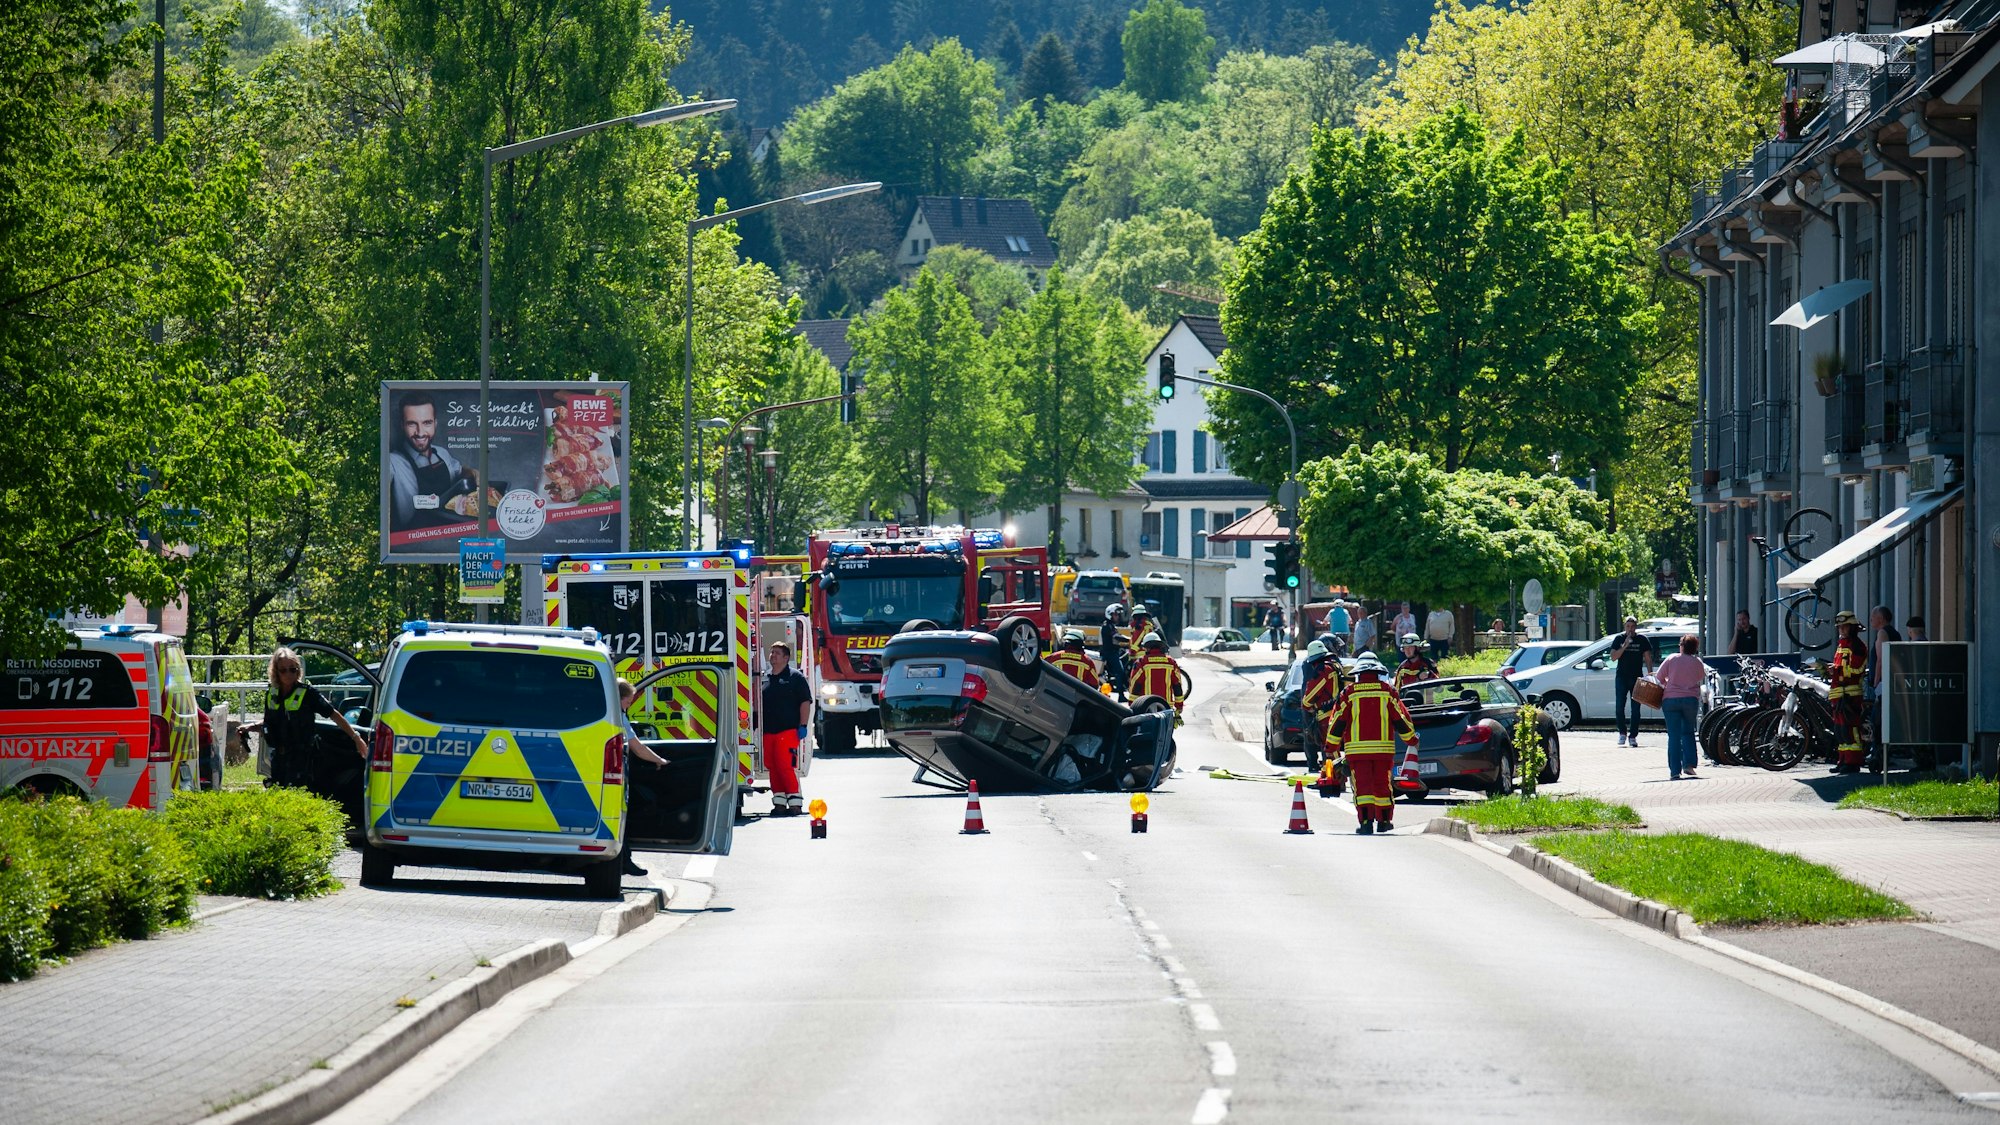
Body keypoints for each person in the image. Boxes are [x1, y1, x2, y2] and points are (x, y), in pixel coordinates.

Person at [1323, 655, 1418, 835]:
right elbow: (1401, 719)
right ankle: (1384, 821)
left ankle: (1366, 822)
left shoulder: (1349, 693)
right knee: (1383, 785)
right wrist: (1411, 740)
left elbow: (1337, 722)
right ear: (1378, 672)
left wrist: (1331, 747)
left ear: (1358, 673)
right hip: (1383, 751)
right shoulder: (1388, 692)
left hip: (1357, 753)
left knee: (1363, 787)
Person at [253, 647, 366, 789]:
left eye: (292, 669)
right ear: (276, 672)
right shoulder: (272, 694)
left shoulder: (308, 693)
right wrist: (251, 726)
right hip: (279, 759)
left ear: (298, 670)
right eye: (283, 670)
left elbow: (334, 715)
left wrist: (356, 738)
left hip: (303, 760)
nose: (288, 674)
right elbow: (270, 722)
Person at [387, 391, 479, 531]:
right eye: (412, 424)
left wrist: (471, 472)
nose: (420, 432)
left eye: (427, 423)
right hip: (412, 542)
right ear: (402, 425)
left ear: (435, 423)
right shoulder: (392, 462)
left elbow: (459, 470)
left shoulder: (442, 453)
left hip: (449, 535)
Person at [614, 679, 670, 876]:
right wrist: (659, 760)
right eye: (628, 702)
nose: (628, 706)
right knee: (622, 818)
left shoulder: (612, 714)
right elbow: (637, 748)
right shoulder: (618, 717)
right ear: (619, 699)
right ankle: (623, 861)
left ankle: (622, 860)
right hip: (614, 775)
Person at [760, 641, 813, 815]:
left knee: (785, 765)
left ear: (786, 657)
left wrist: (803, 725)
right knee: (772, 766)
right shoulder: (766, 678)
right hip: (768, 732)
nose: (772, 656)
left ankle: (795, 803)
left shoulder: (795, 677)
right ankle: (779, 803)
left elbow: (805, 702)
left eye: (776, 653)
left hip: (788, 730)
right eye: (771, 652)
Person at [1655, 634, 1705, 780]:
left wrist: (1669, 681)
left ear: (1682, 646)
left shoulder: (1672, 658)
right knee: (1688, 732)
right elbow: (1700, 677)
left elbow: (1659, 678)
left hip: (1670, 699)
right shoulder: (1697, 662)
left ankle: (1675, 771)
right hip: (1690, 700)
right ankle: (1689, 765)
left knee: (1674, 736)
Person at [1298, 640, 1349, 772]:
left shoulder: (1323, 669)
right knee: (1334, 748)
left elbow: (1308, 698)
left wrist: (1306, 705)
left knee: (1330, 749)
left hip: (1326, 716)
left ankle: (1336, 778)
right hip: (1339, 711)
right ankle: (1331, 776)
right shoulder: (1336, 665)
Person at [1828, 610, 1867, 774]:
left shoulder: (1857, 645)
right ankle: (1843, 760)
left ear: (1852, 627)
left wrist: (1836, 670)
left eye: (1844, 627)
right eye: (1839, 627)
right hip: (1839, 694)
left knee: (1850, 730)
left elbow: (1857, 668)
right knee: (1840, 730)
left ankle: (1853, 762)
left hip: (1849, 695)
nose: (1841, 630)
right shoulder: (1841, 645)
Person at [1609, 617, 1657, 747]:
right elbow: (1613, 657)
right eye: (1628, 626)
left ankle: (1633, 736)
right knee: (1619, 706)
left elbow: (1647, 658)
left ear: (1636, 627)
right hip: (1621, 677)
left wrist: (1650, 674)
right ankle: (1622, 733)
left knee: (1636, 709)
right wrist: (1624, 646)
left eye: (1632, 626)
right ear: (1625, 626)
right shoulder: (1619, 639)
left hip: (1637, 678)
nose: (1630, 629)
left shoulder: (1642, 639)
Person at [1867, 606, 1900, 767]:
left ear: (1880, 618)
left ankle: (1878, 756)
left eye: (1873, 616)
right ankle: (1884, 754)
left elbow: (1881, 659)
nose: (1871, 619)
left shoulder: (1882, 633)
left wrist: (1876, 682)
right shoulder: (1895, 633)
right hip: (1892, 683)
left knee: (1877, 721)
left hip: (1883, 684)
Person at [1127, 633, 1189, 716]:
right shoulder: (1171, 662)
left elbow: (1135, 685)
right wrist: (1179, 706)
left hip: (1146, 708)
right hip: (1166, 708)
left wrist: (1132, 705)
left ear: (1147, 647)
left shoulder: (1142, 663)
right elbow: (1177, 685)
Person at [1100, 605, 1130, 700]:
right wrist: (1130, 640)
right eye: (1116, 614)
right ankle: (1121, 696)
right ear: (1110, 614)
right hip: (1110, 653)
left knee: (1121, 671)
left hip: (1114, 652)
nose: (1118, 616)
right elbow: (1116, 636)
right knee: (1119, 672)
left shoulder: (1111, 626)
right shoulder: (1106, 626)